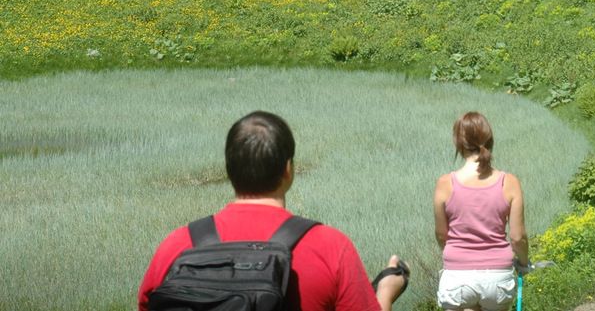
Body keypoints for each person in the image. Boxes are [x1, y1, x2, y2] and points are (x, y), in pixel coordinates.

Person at [138, 111, 406, 311]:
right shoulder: (330, 248)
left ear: (229, 170)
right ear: (288, 170)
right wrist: (385, 292)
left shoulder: (177, 247)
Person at [433, 112, 528, 311]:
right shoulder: (509, 182)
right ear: (490, 140)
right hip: (497, 278)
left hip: (457, 278)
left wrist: (459, 256)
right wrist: (524, 262)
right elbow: (518, 237)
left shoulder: (444, 184)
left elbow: (442, 235)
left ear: (458, 143)